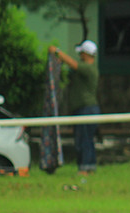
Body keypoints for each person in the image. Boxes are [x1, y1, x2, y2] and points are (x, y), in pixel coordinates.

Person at [49, 40, 100, 175]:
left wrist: (57, 52)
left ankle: (85, 168)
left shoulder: (88, 68)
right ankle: (88, 166)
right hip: (83, 109)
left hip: (87, 109)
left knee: (84, 139)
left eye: (82, 53)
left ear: (86, 54)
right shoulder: (84, 69)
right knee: (84, 139)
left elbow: (73, 64)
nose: (80, 56)